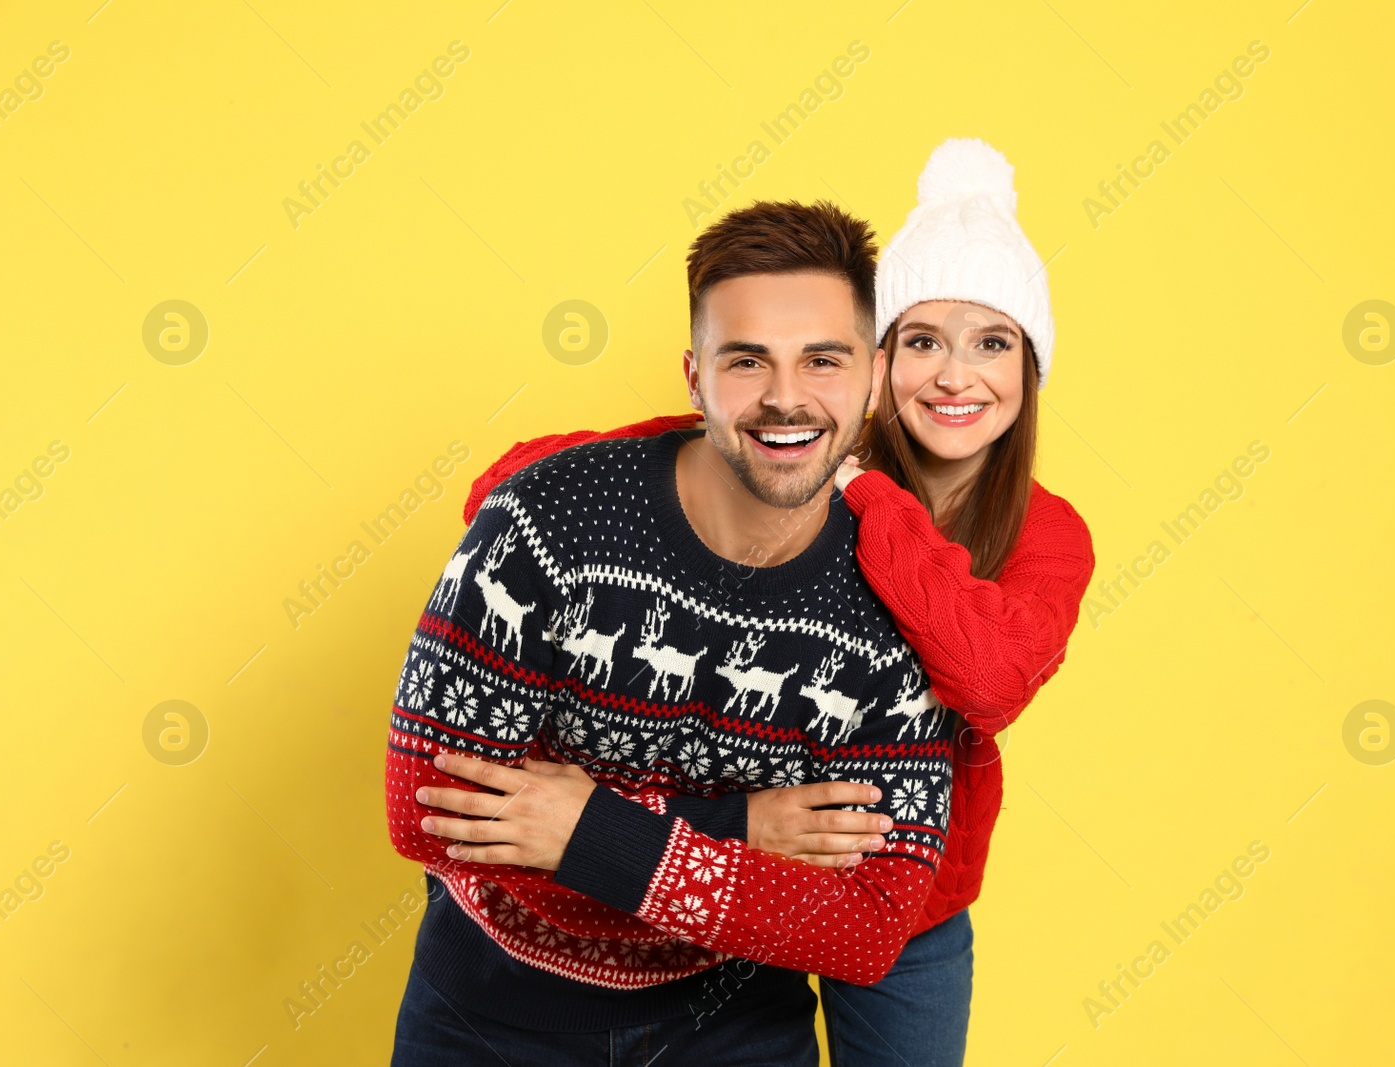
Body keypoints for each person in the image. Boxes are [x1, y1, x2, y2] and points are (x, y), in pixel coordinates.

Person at [452, 137, 1096, 1066]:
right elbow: (508, 488)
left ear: (1030, 364)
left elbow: (990, 679)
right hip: (762, 859)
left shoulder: (1044, 532)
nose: (956, 376)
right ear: (877, 362)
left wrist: (868, 489)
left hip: (911, 903)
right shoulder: (791, 446)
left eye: (992, 342)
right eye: (922, 341)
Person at [385, 198, 959, 1066]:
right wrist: (742, 827)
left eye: (824, 360)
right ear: (694, 376)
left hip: (733, 1030)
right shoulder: (547, 521)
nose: (785, 397)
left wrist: (583, 830)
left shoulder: (900, 601)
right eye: (746, 361)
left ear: (875, 376)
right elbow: (425, 808)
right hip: (485, 1017)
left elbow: (866, 928)